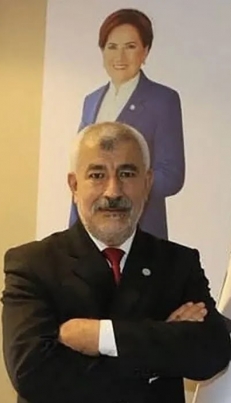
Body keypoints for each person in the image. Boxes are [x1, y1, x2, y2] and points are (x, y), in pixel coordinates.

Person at [1, 122, 231, 403]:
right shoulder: (33, 264)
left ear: (147, 183)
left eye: (127, 173)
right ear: (74, 186)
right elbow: (33, 373)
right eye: (97, 175)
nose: (113, 191)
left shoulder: (178, 263)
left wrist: (101, 336)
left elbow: (212, 353)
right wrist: (158, 359)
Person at [69, 8, 185, 240]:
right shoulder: (92, 100)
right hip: (88, 232)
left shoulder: (162, 100)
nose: (120, 57)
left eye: (130, 47)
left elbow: (172, 175)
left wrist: (125, 186)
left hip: (141, 231)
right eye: (112, 47)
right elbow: (80, 168)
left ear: (146, 51)